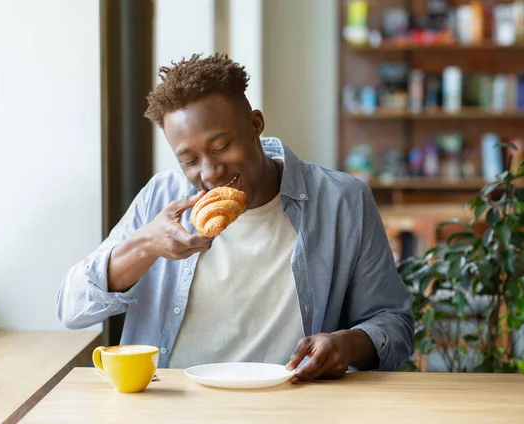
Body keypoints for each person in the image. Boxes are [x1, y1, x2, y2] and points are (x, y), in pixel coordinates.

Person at [57, 53, 414, 382]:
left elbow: (394, 324)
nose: (210, 172)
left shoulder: (342, 201)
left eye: (221, 146)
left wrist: (347, 344)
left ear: (255, 124)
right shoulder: (161, 198)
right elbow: (71, 309)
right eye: (189, 160)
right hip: (169, 406)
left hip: (289, 405)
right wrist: (145, 245)